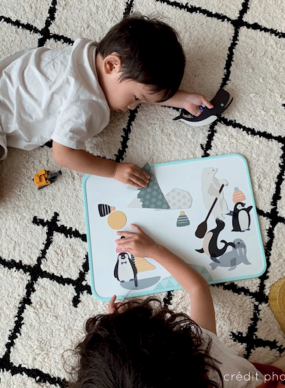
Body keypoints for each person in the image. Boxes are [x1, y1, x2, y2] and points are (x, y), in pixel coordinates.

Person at [0, 14, 213, 188]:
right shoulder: (84, 102)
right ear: (111, 65)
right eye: (136, 99)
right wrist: (113, 170)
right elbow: (63, 153)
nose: (132, 107)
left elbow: (136, 83)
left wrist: (181, 99)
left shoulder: (90, 54)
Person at [68, 224, 265, 388]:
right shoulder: (207, 359)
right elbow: (197, 288)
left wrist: (122, 332)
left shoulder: (198, 368)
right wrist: (154, 250)